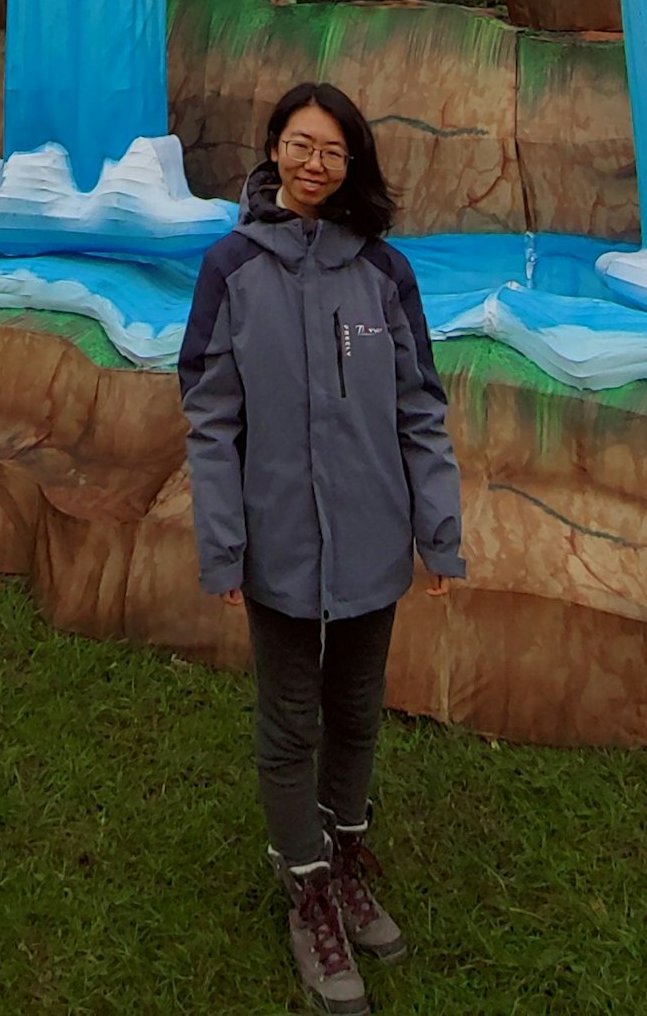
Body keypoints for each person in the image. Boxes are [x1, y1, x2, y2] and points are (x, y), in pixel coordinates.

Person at [178, 81, 464, 1015]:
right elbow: (210, 416)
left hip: (374, 541)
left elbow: (420, 406)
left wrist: (440, 531)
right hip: (279, 549)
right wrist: (223, 543)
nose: (314, 163)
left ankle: (344, 859)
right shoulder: (232, 268)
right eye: (300, 145)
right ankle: (308, 893)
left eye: (333, 151)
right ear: (273, 153)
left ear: (352, 167)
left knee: (358, 708)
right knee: (288, 716)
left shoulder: (384, 273)